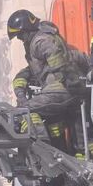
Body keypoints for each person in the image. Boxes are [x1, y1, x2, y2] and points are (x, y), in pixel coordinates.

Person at [7, 9, 85, 141]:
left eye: (20, 35)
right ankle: (58, 150)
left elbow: (60, 64)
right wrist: (20, 90)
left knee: (23, 111)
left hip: (62, 89)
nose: (20, 39)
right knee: (51, 121)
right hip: (60, 89)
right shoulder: (37, 40)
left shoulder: (40, 41)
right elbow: (35, 69)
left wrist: (66, 82)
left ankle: (42, 148)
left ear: (28, 29)